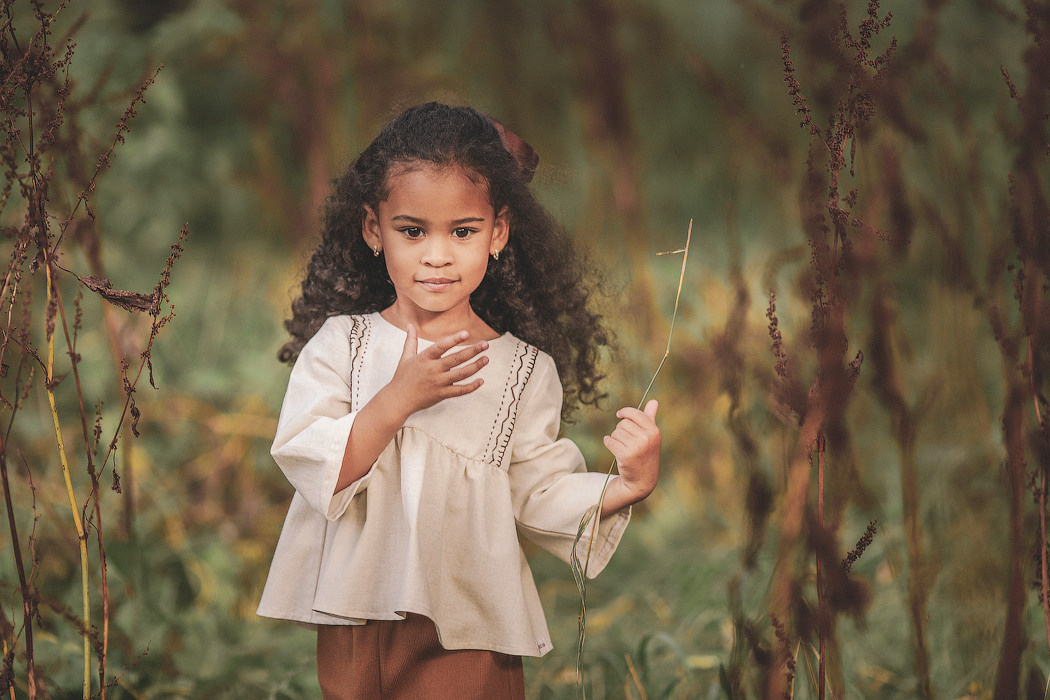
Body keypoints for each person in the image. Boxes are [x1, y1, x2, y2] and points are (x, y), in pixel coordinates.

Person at [257, 102, 661, 699]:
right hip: (356, 608)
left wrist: (627, 485)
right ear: (374, 229)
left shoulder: (524, 371)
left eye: (463, 231)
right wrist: (398, 399)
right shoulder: (343, 346)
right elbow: (315, 466)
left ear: (497, 233)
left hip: (468, 617)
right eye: (412, 231)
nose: (437, 255)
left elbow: (539, 491)